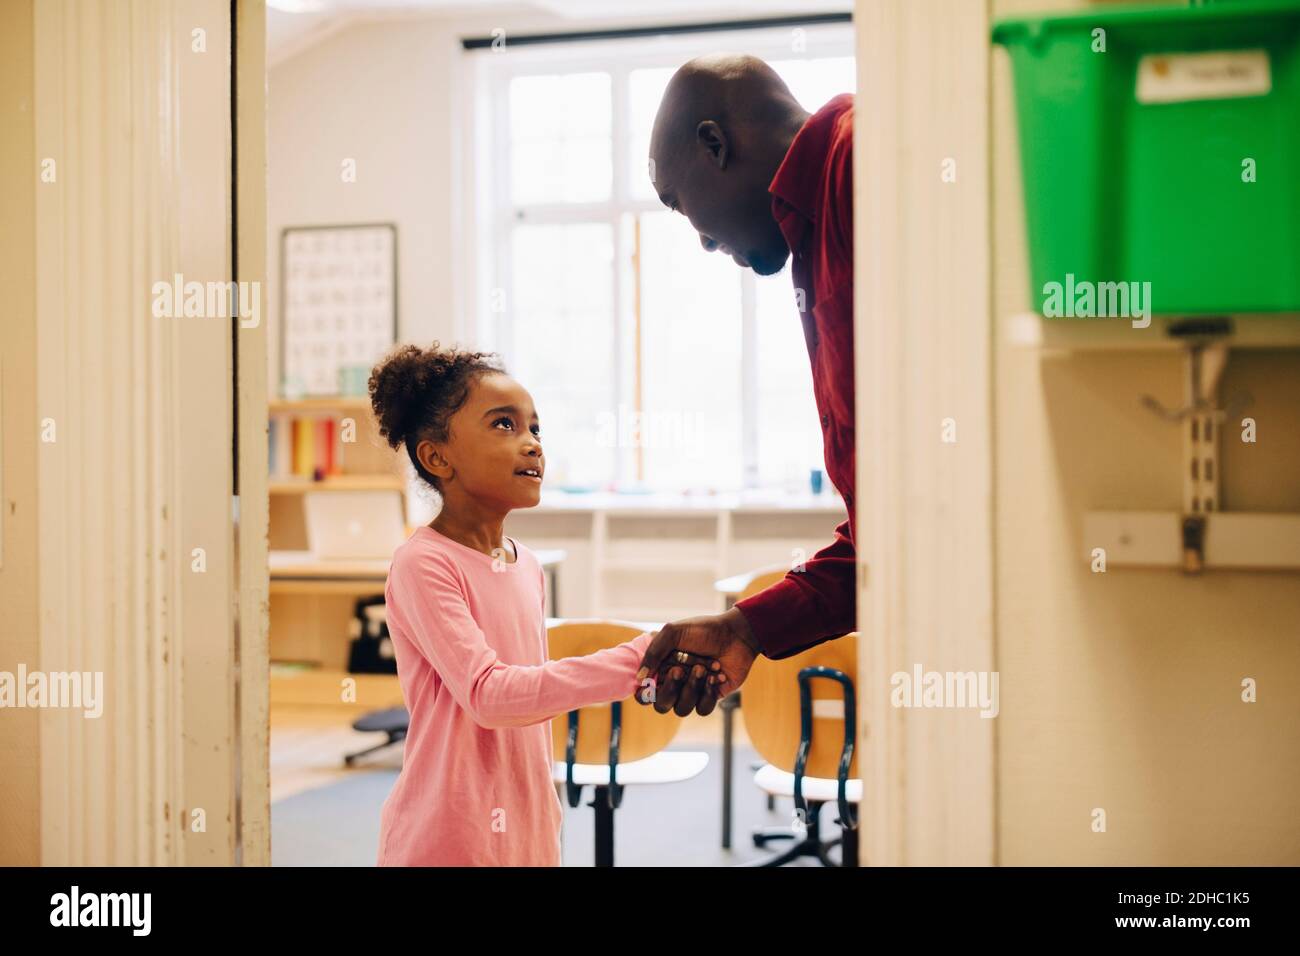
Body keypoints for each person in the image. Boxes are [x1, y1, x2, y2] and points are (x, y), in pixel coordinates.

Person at [368, 343, 718, 865]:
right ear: (437, 456)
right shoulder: (423, 565)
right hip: (448, 834)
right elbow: (489, 695)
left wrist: (654, 672)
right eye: (504, 425)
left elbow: (534, 695)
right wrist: (638, 657)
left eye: (535, 429)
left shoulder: (526, 565)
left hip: (530, 824)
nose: (531, 444)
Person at [636, 53, 857, 716]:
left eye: (680, 205)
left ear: (714, 143)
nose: (703, 241)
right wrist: (747, 628)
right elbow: (895, 533)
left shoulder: (858, 165)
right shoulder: (811, 233)